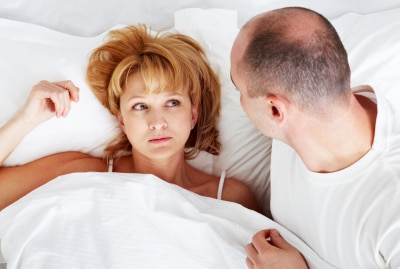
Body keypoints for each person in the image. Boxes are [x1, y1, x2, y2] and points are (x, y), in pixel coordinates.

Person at [0, 24, 260, 213]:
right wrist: (26, 120)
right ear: (122, 121)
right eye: (140, 106)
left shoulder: (230, 197)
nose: (157, 121)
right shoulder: (84, 172)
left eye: (172, 103)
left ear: (193, 114)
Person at [230, 6, 400, 269]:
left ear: (274, 110)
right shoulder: (303, 118)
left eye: (237, 88)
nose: (239, 101)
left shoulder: (391, 207)